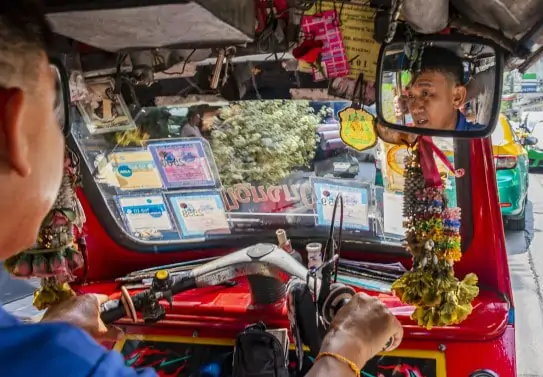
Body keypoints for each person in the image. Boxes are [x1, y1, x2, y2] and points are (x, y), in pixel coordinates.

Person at [0, 2, 402, 377]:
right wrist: (346, 349)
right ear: (15, 129)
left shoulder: (33, 348)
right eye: (56, 114)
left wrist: (51, 333)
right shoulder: (59, 360)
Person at [393, 46, 488, 132]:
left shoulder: (477, 141)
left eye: (425, 93)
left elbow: (487, 79)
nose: (413, 109)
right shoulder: (415, 141)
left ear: (457, 97)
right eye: (410, 95)